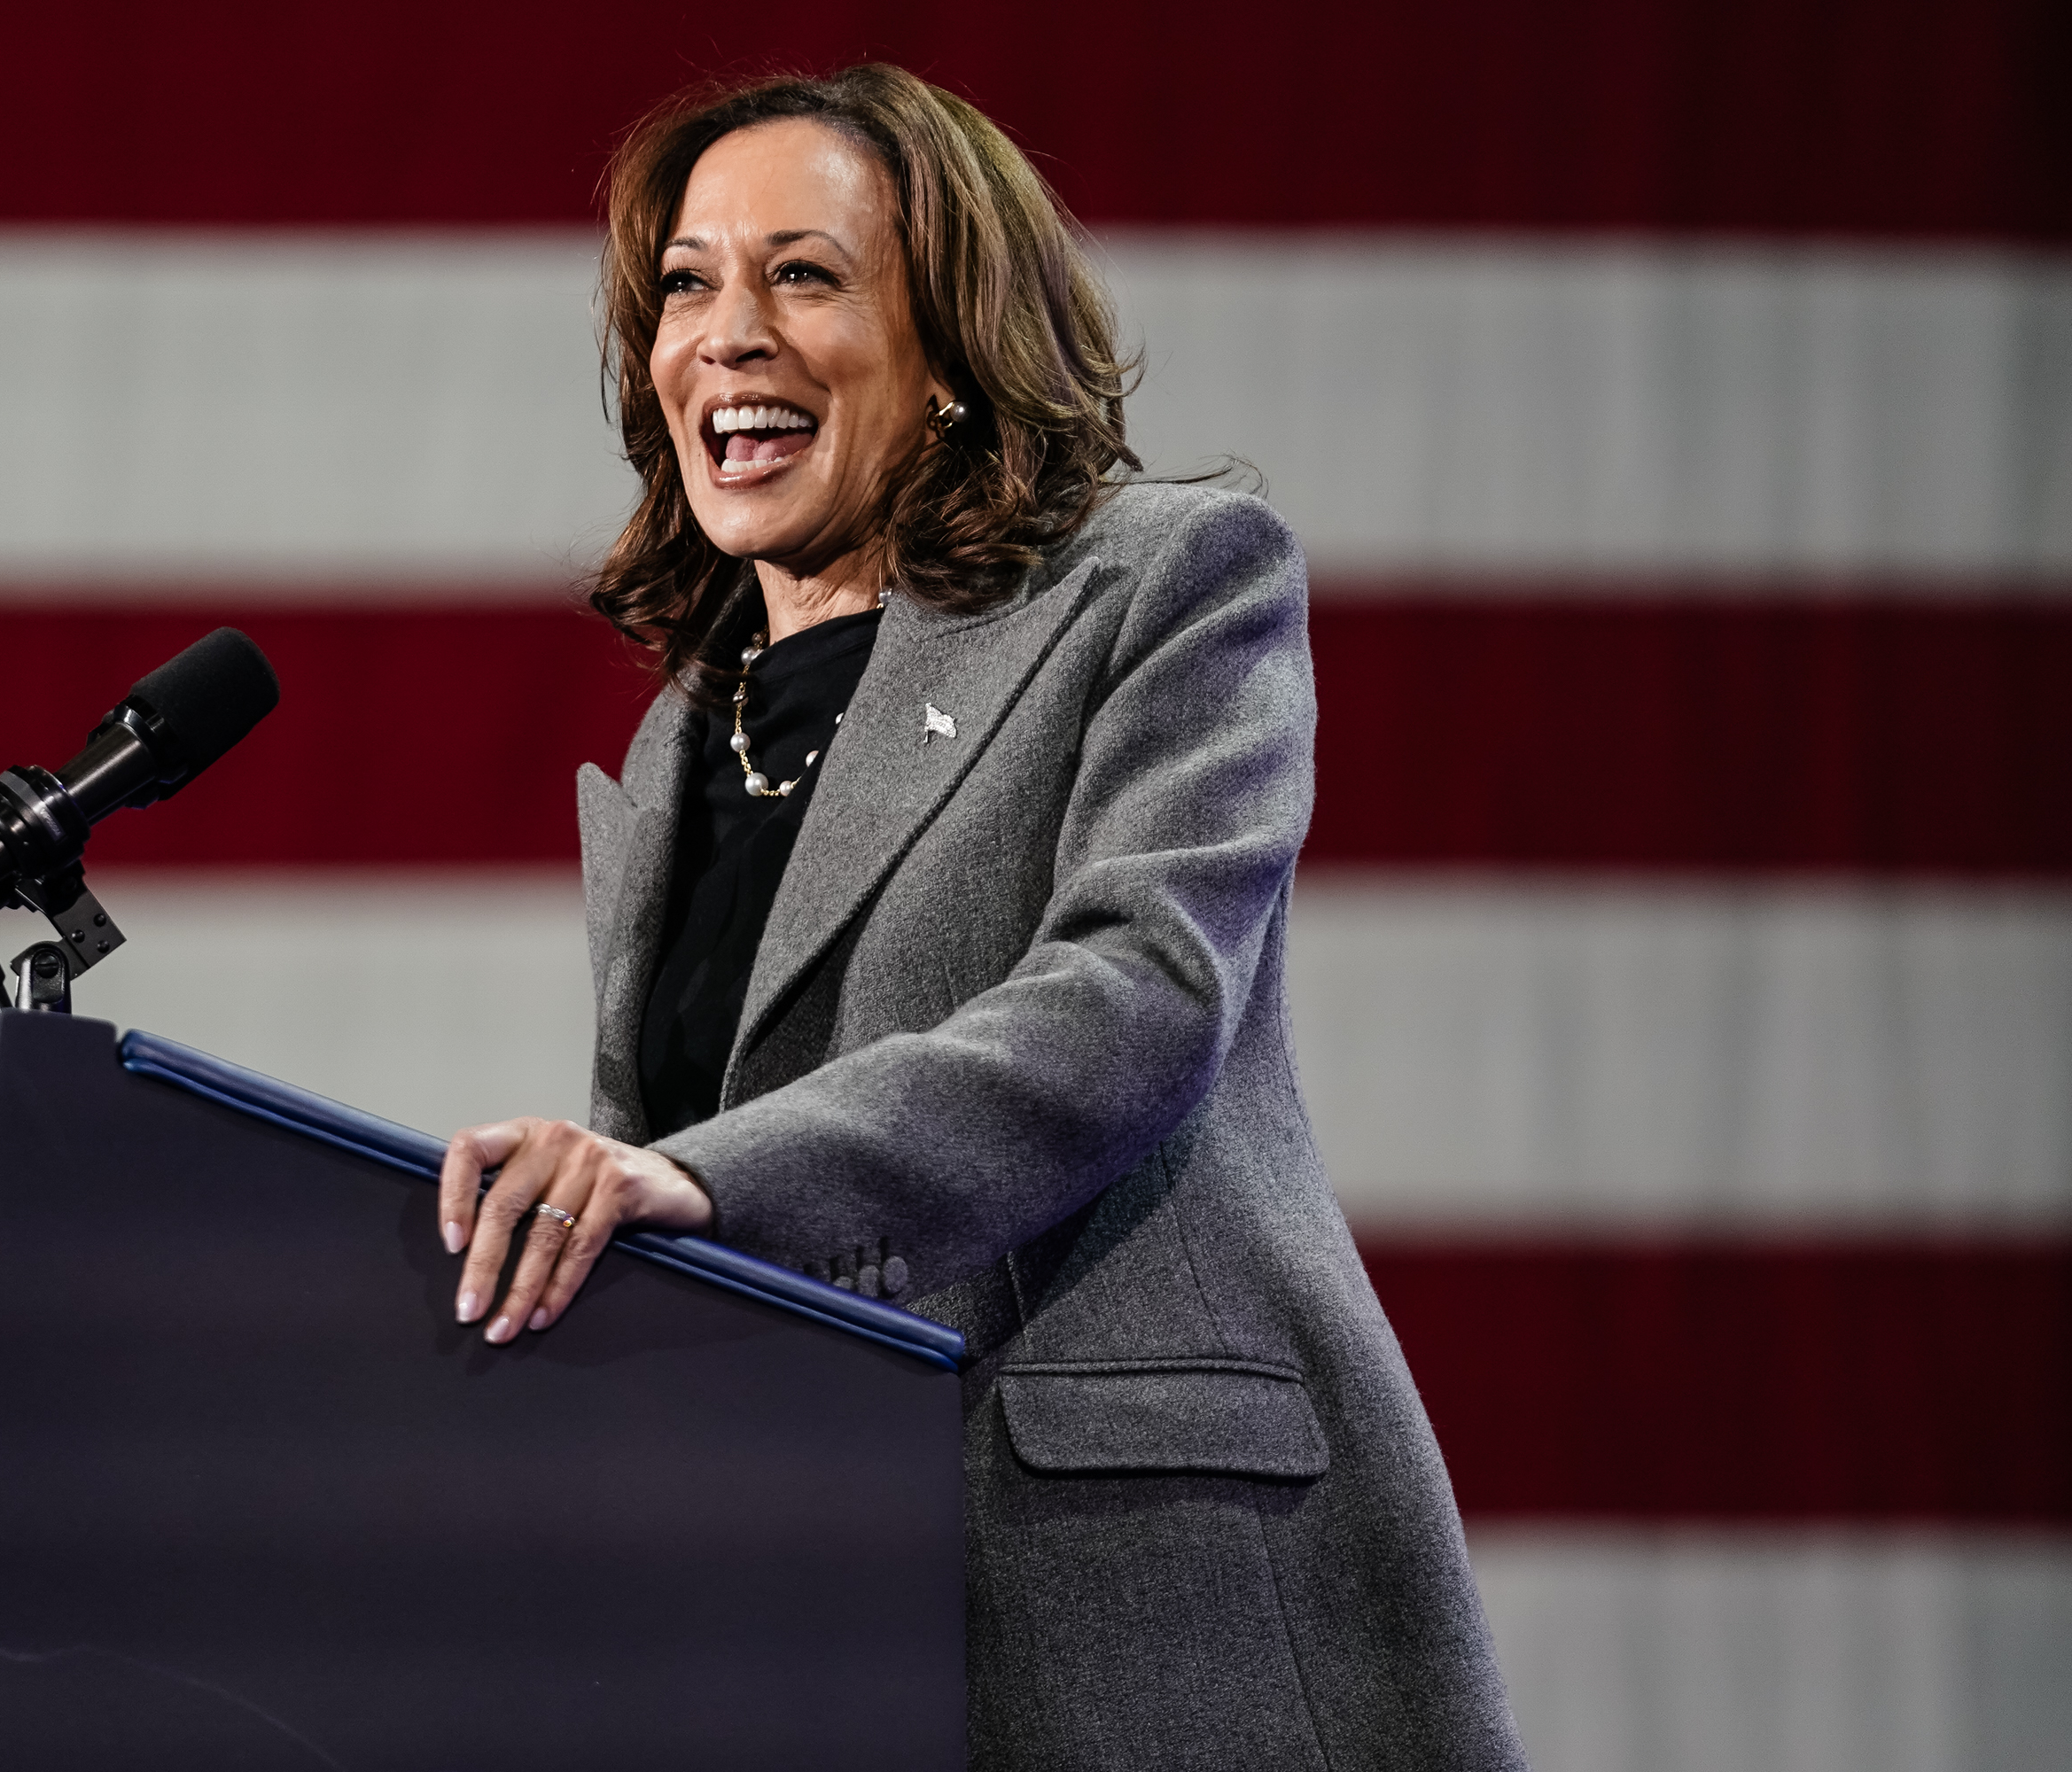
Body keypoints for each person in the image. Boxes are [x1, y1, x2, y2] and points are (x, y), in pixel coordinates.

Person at [435, 65, 1529, 1769]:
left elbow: (1139, 997)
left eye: (803, 275)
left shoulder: (1165, 582)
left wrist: (706, 1181)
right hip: (799, 1610)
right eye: (687, 286)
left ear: (949, 348)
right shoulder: (683, 734)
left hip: (1126, 1567)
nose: (727, 335)